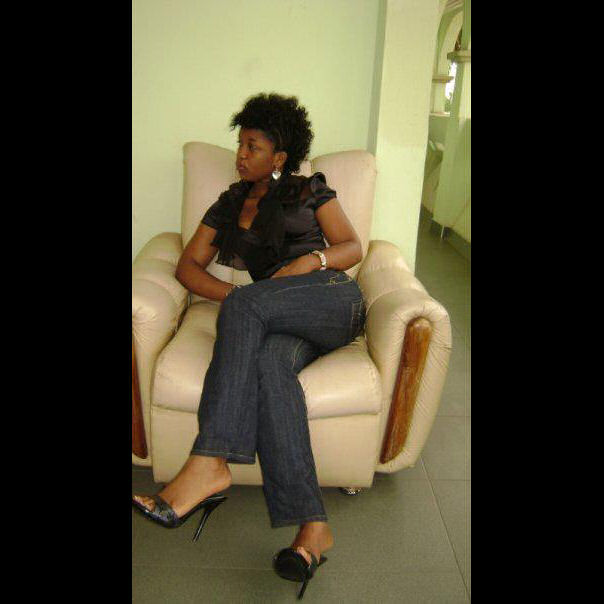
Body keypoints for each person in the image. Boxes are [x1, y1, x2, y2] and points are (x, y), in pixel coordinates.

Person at [132, 92, 367, 598]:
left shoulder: (309, 189)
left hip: (330, 298)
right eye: (240, 144)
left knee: (244, 307)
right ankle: (313, 529)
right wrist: (239, 296)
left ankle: (209, 462)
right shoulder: (229, 202)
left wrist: (309, 263)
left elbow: (352, 246)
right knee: (269, 368)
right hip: (273, 317)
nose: (240, 155)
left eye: (252, 147)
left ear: (279, 156)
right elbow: (187, 265)